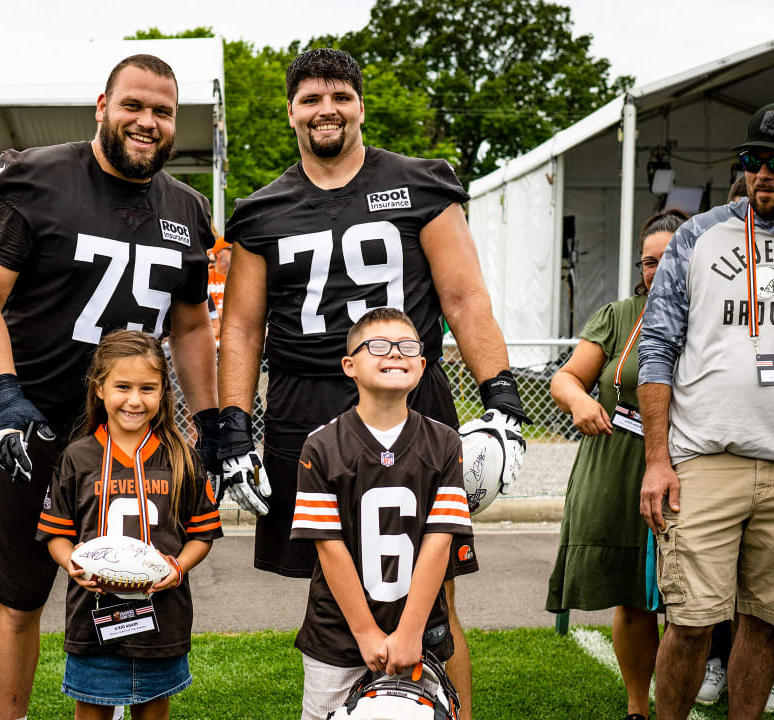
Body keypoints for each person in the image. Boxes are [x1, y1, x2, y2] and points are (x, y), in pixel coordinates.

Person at [216, 49, 526, 719]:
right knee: (328, 587)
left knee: (435, 598)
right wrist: (232, 425)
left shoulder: (420, 184)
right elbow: (239, 328)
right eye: (310, 98)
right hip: (305, 404)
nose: (326, 109)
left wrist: (502, 398)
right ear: (290, 110)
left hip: (409, 398)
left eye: (340, 95)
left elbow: (465, 298)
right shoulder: (262, 209)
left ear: (360, 104)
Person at [0, 53, 218, 720]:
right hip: (35, 420)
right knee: (20, 596)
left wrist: (212, 422)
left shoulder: (186, 207)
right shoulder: (35, 179)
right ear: (102, 106)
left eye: (163, 111)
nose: (147, 121)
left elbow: (190, 326)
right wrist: (6, 395)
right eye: (134, 104)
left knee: (134, 582)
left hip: (128, 432)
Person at [638, 100, 774, 719]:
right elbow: (657, 349)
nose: (762, 175)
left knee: (766, 622)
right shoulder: (699, 235)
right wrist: (656, 461)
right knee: (692, 622)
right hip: (707, 459)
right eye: (752, 160)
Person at [291, 307, 472, 720]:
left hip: (420, 631)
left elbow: (439, 541)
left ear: (423, 365)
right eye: (378, 346)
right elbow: (329, 548)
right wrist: (365, 632)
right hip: (338, 634)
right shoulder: (321, 447)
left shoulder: (444, 443)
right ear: (349, 365)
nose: (395, 354)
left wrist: (409, 633)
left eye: (407, 347)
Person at [38, 330, 222, 720]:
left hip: (162, 617)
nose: (135, 400)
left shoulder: (183, 459)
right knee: (90, 710)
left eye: (148, 388)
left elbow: (202, 534)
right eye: (123, 386)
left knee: (153, 710)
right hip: (92, 616)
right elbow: (56, 533)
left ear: (163, 392)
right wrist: (71, 562)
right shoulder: (77, 457)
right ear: (99, 388)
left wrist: (178, 567)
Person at [545, 210, 686, 720]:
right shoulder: (619, 313)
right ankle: (636, 709)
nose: (659, 270)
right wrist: (580, 402)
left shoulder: (712, 315)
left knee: (694, 600)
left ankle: (701, 682)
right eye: (650, 262)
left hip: (689, 466)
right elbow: (566, 378)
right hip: (615, 463)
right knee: (632, 594)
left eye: (671, 258)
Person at [694, 173, 774, 711]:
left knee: (767, 593)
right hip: (713, 453)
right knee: (704, 592)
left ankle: (761, 672)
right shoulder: (704, 266)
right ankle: (712, 660)